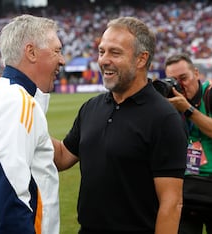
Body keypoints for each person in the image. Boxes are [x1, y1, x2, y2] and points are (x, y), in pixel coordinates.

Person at [52, 16, 187, 234]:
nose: (104, 60)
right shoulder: (91, 108)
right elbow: (61, 157)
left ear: (141, 59)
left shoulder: (164, 118)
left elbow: (171, 204)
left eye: (115, 53)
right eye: (101, 51)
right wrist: (27, 123)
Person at [0, 14, 65, 234]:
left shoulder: (10, 96)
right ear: (31, 52)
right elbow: (12, 198)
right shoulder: (16, 102)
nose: (63, 59)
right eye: (57, 51)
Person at [164, 53, 212, 234]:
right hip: (183, 192)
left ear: (196, 73)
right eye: (173, 80)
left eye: (184, 78)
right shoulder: (167, 104)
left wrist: (186, 109)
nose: (180, 85)